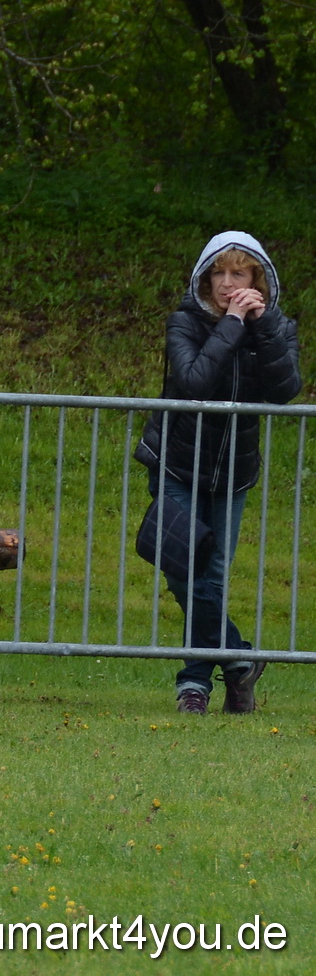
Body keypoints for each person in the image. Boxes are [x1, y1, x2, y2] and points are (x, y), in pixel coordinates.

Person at [135, 232, 300, 716]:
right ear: (206, 279)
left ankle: (195, 686)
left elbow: (285, 389)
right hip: (177, 463)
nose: (228, 284)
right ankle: (238, 659)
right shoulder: (185, 322)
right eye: (219, 274)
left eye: (240, 274)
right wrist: (230, 323)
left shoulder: (276, 326)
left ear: (259, 280)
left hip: (233, 472)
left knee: (210, 576)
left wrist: (262, 324)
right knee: (182, 569)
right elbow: (193, 383)